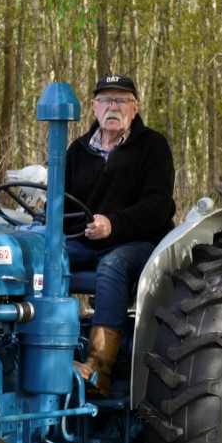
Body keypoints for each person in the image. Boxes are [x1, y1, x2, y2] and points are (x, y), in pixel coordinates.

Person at [65, 74, 175, 397]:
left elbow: (157, 207)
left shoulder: (152, 146)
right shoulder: (77, 151)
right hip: (86, 241)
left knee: (113, 265)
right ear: (94, 106)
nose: (112, 107)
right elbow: (61, 205)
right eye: (106, 100)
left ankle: (99, 369)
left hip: (139, 243)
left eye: (121, 100)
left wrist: (113, 224)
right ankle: (41, 349)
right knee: (42, 258)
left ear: (135, 107)